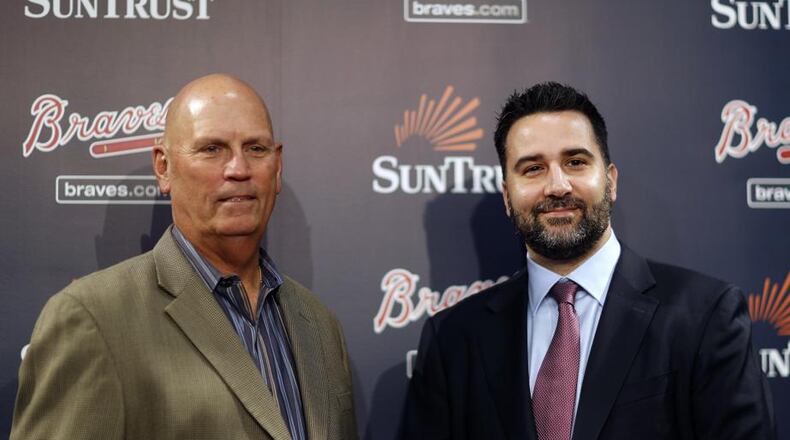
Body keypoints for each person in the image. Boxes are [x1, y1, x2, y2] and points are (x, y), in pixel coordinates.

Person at [401, 82, 775, 439]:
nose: (558, 186)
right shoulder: (453, 338)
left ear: (610, 181)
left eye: (576, 162)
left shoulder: (705, 317)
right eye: (533, 168)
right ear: (506, 196)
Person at [11, 74, 358, 440]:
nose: (239, 169)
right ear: (163, 167)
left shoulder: (319, 324)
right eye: (212, 149)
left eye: (256, 148)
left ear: (278, 166)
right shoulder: (94, 319)